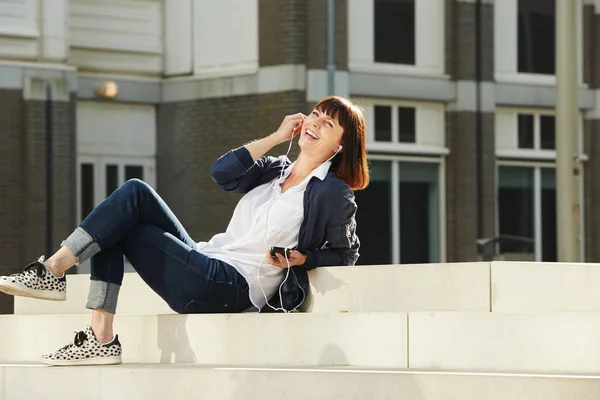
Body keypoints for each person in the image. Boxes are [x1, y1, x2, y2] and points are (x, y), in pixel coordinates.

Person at [0, 95, 370, 366]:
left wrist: (304, 258)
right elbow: (222, 173)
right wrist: (275, 137)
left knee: (121, 220)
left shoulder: (331, 191)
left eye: (328, 124)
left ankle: (57, 278)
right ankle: (93, 327)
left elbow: (346, 252)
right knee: (133, 194)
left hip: (233, 286)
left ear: (340, 144)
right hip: (208, 259)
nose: (315, 124)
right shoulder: (275, 169)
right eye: (315, 115)